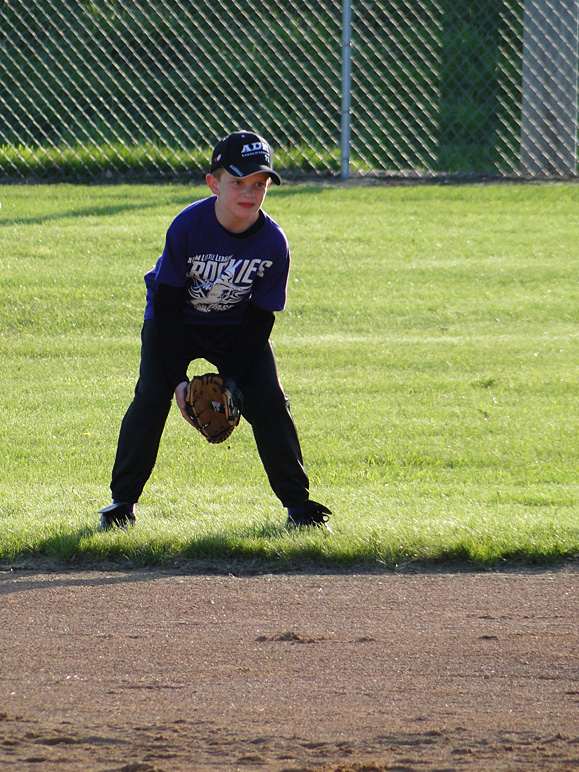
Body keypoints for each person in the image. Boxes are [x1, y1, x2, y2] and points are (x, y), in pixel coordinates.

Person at [98, 130, 332, 532]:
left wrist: (234, 380)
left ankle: (299, 506)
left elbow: (260, 320)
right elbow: (168, 306)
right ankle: (121, 505)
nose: (249, 192)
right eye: (237, 182)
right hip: (176, 322)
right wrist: (177, 383)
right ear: (213, 183)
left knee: (270, 402)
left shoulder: (273, 243)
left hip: (237, 328)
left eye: (259, 184)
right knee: (150, 397)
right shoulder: (188, 227)